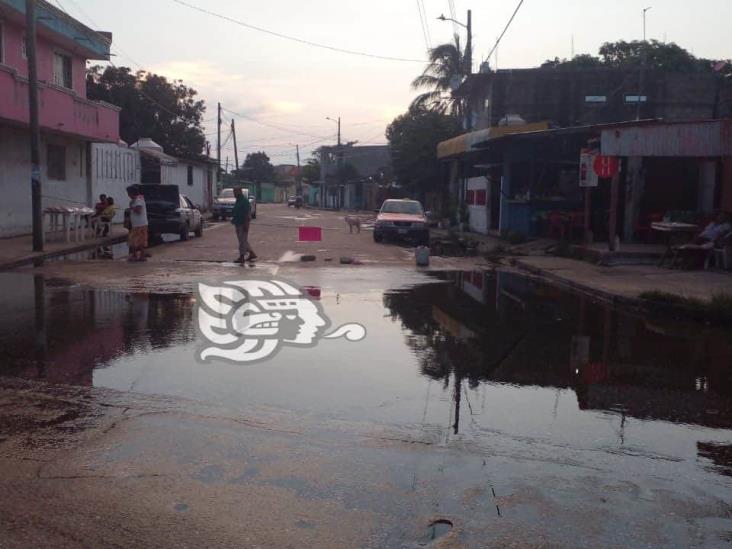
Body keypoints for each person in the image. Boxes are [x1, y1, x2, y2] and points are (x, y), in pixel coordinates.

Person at [231, 187, 257, 264]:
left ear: (239, 192)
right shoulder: (238, 200)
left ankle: (241, 257)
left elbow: (247, 213)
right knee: (243, 240)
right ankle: (252, 254)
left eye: (235, 192)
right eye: (234, 192)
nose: (234, 194)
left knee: (242, 241)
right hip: (238, 223)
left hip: (243, 223)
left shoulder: (244, 201)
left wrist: (246, 224)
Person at [127, 185, 149, 262]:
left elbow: (139, 210)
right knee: (141, 240)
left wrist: (131, 208)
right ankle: (141, 256)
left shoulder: (138, 200)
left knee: (135, 240)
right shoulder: (137, 199)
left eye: (128, 193)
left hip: (139, 224)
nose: (128, 195)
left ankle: (135, 256)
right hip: (139, 224)